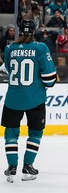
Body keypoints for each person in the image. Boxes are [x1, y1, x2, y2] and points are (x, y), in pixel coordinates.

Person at [1, 19, 57, 183]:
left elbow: (9, 69)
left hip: (13, 99)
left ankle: (11, 168)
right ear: (34, 31)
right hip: (35, 99)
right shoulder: (40, 47)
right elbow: (50, 78)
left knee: (11, 133)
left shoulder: (9, 48)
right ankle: (27, 166)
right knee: (35, 132)